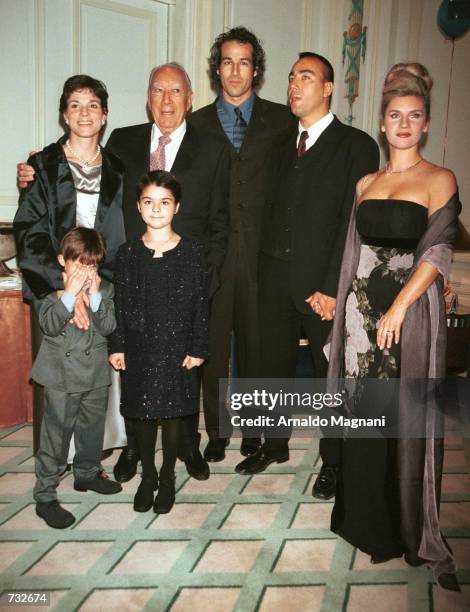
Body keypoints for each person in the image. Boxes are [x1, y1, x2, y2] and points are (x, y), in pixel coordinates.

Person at [18, 63, 230, 484]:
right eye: (157, 90)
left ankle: (161, 451)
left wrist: (200, 284)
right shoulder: (112, 147)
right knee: (91, 381)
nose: (166, 100)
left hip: (143, 281)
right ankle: (78, 468)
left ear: (190, 99)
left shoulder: (195, 151)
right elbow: (38, 226)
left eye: (176, 91)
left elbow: (217, 224)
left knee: (143, 378)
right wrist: (70, 287)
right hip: (91, 283)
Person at [325, 63, 460, 590]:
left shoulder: (439, 179)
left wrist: (401, 306)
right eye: (395, 115)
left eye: (415, 116)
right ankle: (361, 519)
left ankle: (405, 527)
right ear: (383, 123)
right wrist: (345, 317)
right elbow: (351, 255)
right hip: (360, 314)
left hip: (408, 315)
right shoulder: (367, 182)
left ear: (425, 124)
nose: (404, 124)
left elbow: (439, 251)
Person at [235, 52, 379, 480]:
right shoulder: (279, 145)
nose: (295, 85)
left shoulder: (357, 145)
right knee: (269, 364)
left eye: (307, 77)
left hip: (325, 286)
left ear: (328, 88)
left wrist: (333, 285)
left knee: (329, 376)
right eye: (292, 77)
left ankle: (334, 463)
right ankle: (272, 445)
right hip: (274, 279)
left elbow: (353, 224)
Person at [189, 27, 296, 463]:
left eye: (245, 62)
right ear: (217, 69)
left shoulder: (282, 121)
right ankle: (217, 431)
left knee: (259, 348)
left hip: (263, 257)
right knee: (212, 347)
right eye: (227, 61)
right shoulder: (194, 124)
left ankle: (256, 431)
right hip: (211, 256)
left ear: (256, 70)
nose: (236, 70)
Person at [14, 74, 127, 460]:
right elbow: (30, 231)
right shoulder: (42, 165)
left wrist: (93, 291)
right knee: (60, 382)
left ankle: (92, 459)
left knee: (97, 378)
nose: (84, 113)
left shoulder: (118, 169)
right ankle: (53, 462)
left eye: (93, 105)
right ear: (64, 115)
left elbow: (123, 232)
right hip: (53, 284)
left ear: (104, 114)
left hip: (102, 285)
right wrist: (66, 288)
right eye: (75, 105)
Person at [109, 171, 209, 514]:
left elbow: (200, 304)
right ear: (139, 207)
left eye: (164, 202)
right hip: (139, 348)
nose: (156, 209)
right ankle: (148, 477)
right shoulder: (127, 254)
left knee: (172, 417)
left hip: (178, 349)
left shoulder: (193, 252)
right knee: (144, 416)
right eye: (149, 202)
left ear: (176, 207)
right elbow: (119, 304)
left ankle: (167, 478)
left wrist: (198, 348)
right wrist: (117, 345)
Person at [30, 228, 122, 529]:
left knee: (92, 431)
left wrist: (94, 295)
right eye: (78, 264)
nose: (85, 271)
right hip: (60, 378)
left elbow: (109, 326)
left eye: (92, 265)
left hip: (95, 375)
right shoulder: (50, 294)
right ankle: (45, 495)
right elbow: (51, 326)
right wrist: (69, 295)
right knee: (55, 438)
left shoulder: (104, 291)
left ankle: (86, 473)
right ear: (61, 261)